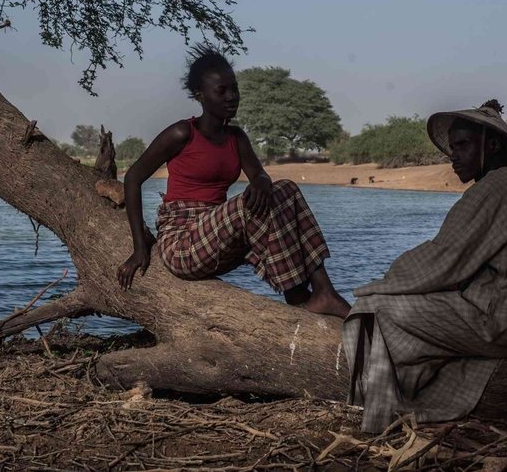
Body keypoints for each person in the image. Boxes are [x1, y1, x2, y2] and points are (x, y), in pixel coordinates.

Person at [342, 99, 507, 433]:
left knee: (375, 309)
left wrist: (376, 286)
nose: (454, 156)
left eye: (463, 145)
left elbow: (441, 260)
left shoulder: (492, 191)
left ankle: (380, 416)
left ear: (492, 145)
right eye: (453, 148)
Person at [116, 45, 351, 318]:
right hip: (182, 243)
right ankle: (301, 294)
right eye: (222, 91)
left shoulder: (236, 138)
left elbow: (260, 176)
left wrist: (260, 181)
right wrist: (139, 248)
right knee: (252, 204)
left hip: (219, 240)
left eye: (234, 89)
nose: (231, 97)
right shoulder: (182, 133)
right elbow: (132, 178)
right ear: (200, 95)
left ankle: (321, 291)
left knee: (286, 189)